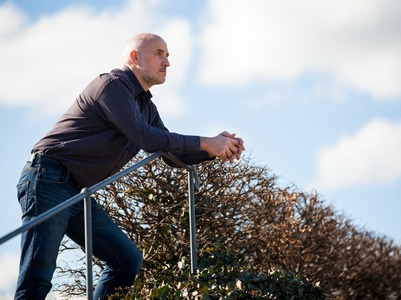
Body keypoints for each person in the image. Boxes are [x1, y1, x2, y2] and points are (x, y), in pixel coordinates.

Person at [14, 33, 245, 299]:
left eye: (168, 56)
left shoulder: (145, 107)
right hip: (47, 178)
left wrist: (217, 149)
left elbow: (170, 154)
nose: (167, 62)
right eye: (160, 54)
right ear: (135, 57)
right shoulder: (112, 85)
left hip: (75, 190)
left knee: (126, 259)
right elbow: (147, 139)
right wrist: (206, 142)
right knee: (37, 278)